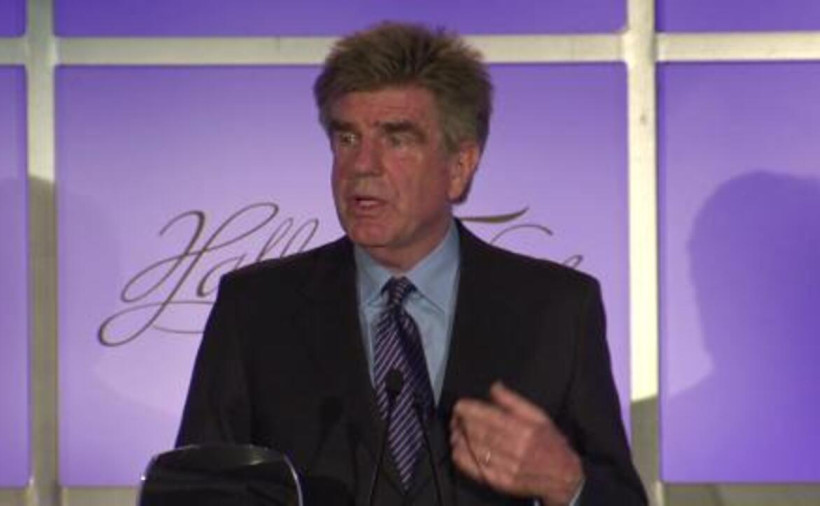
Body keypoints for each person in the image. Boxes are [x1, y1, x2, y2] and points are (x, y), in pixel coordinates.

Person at [177, 22, 647, 505]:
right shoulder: (256, 309)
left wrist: (568, 485)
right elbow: (198, 494)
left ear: (459, 167)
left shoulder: (557, 310)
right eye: (347, 138)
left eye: (397, 139)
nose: (362, 166)